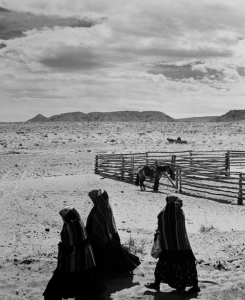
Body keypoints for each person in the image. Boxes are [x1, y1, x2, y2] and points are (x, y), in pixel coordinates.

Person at [43, 206, 107, 300]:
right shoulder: (79, 223)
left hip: (72, 262)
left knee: (54, 289)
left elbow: (68, 247)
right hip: (86, 262)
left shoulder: (69, 227)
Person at [145, 195, 200, 293]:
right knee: (188, 265)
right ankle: (195, 286)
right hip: (182, 245)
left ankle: (156, 284)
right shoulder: (180, 213)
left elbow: (161, 225)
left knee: (162, 265)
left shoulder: (162, 214)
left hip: (168, 245)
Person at [86, 189, 141, 279]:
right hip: (109, 235)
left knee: (104, 255)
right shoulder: (102, 205)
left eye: (92, 197)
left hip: (103, 236)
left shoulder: (101, 208)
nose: (91, 200)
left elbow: (99, 223)